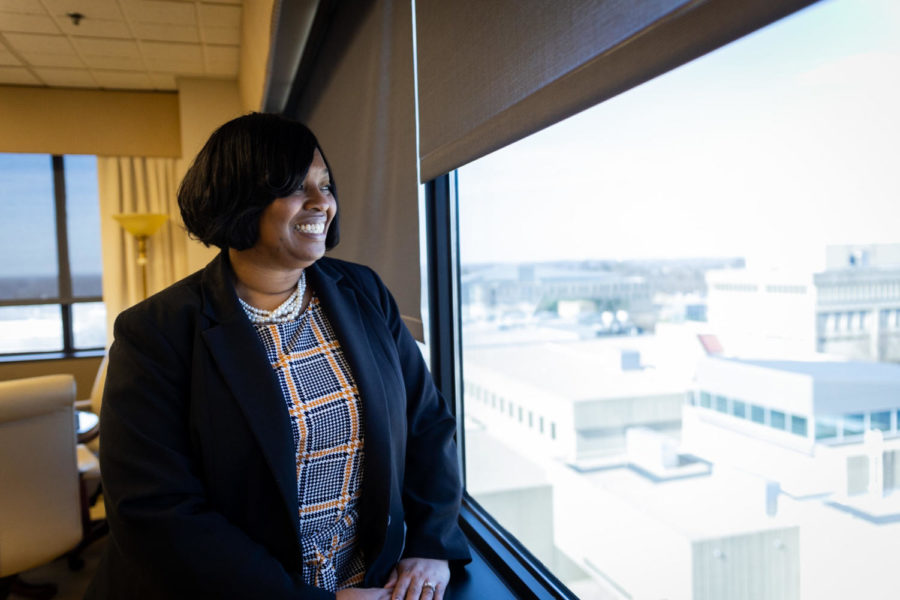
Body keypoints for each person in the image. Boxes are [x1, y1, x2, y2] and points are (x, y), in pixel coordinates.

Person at [85, 113, 470, 600]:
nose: (321, 203)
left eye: (325, 185)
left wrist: (430, 543)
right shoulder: (156, 333)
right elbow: (156, 510)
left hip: (369, 586)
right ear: (238, 198)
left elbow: (427, 424)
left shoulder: (364, 290)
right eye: (295, 187)